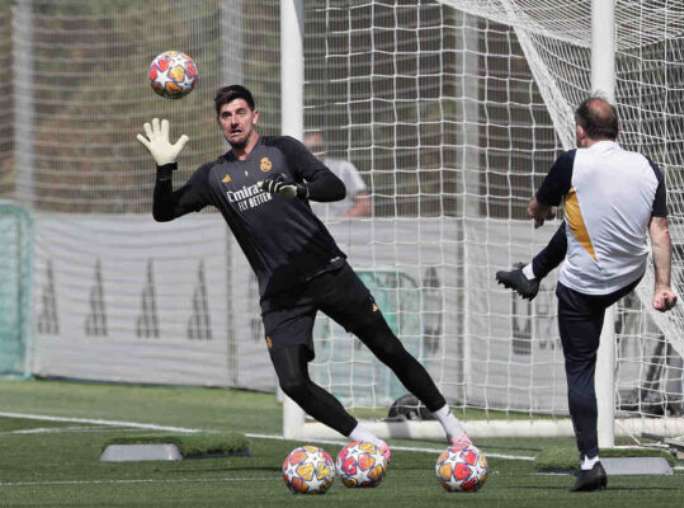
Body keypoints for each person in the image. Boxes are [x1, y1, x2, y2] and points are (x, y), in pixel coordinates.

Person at [136, 85, 471, 461]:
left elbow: (334, 187)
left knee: (388, 348)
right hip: (281, 292)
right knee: (293, 382)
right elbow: (164, 212)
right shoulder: (213, 175)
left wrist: (298, 190)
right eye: (226, 116)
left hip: (327, 272)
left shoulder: (282, 150)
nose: (234, 121)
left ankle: (454, 429)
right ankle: (368, 442)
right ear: (219, 123)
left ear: (254, 116)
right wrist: (164, 169)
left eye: (241, 112)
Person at [496, 96, 677, 492]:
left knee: (580, 370)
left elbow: (535, 208)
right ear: (618, 130)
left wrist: (541, 210)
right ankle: (530, 273)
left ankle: (591, 462)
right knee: (580, 214)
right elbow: (659, 230)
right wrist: (663, 285)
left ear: (580, 131)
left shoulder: (571, 162)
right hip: (630, 273)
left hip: (584, 285)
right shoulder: (648, 167)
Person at [303, 131, 372, 219]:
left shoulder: (343, 168)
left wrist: (341, 222)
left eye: (318, 148)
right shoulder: (293, 174)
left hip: (342, 225)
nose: (315, 153)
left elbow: (364, 204)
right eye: (309, 149)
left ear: (325, 148)